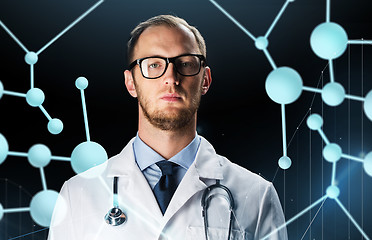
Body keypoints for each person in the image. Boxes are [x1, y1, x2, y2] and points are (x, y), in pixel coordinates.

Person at [48, 15, 288, 240]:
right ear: (131, 83)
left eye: (185, 63)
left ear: (205, 80)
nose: (171, 78)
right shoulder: (77, 194)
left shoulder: (256, 195)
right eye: (153, 65)